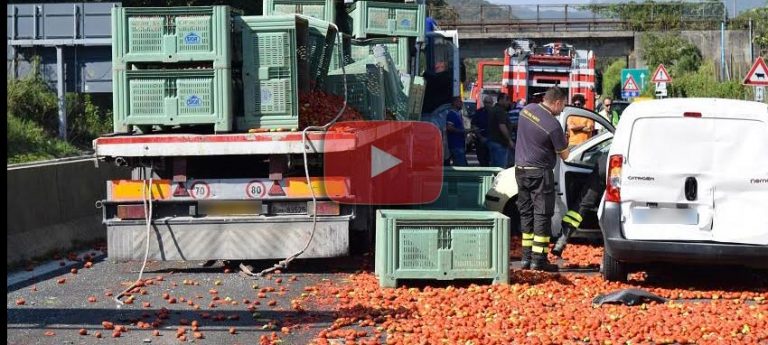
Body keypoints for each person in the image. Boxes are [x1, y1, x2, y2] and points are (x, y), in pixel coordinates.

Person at [515, 86, 570, 272]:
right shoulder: (553, 125)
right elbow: (565, 155)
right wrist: (565, 140)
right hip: (540, 173)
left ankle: (525, 257)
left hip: (521, 170)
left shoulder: (526, 110)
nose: (562, 110)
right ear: (556, 102)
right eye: (562, 106)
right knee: (542, 215)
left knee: (526, 213)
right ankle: (539, 259)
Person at [552, 157, 607, 257]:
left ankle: (561, 241)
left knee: (582, 205)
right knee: (611, 209)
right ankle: (609, 256)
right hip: (617, 170)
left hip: (604, 165)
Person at [487, 93, 515, 168]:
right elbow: (502, 126)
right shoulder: (500, 111)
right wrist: (509, 140)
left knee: (494, 168)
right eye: (507, 100)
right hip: (500, 144)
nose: (508, 102)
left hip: (494, 142)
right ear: (501, 100)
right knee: (500, 169)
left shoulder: (494, 109)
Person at [471, 96, 494, 167]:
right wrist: (480, 137)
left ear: (492, 103)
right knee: (482, 161)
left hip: (493, 140)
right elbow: (474, 126)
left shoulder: (495, 112)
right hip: (481, 140)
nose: (488, 104)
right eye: (486, 102)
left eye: (489, 103)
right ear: (484, 103)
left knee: (492, 161)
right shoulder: (478, 112)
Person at [446, 97, 468, 166]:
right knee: (461, 166)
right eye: (460, 102)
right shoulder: (451, 114)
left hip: (460, 144)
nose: (461, 104)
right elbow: (449, 128)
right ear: (455, 103)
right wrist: (462, 131)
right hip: (455, 144)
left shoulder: (458, 114)